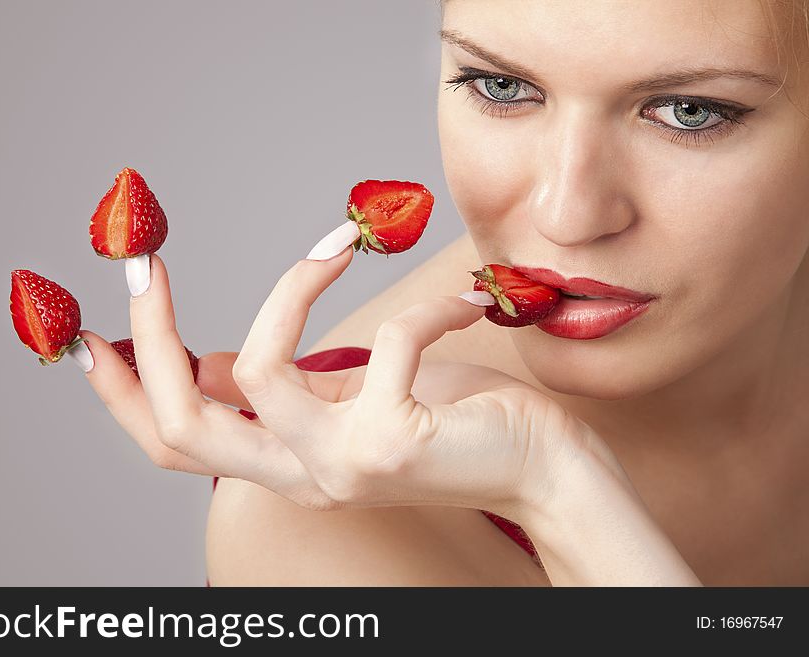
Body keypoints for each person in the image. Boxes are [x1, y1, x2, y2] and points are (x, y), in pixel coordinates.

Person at [78, 0, 809, 586]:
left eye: (689, 110)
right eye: (502, 87)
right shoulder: (324, 532)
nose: (566, 214)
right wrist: (552, 483)